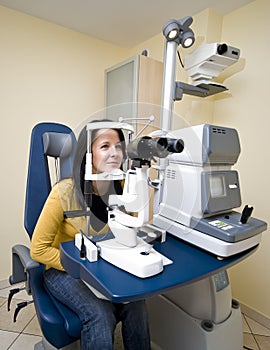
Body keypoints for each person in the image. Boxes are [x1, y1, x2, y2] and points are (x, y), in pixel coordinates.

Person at [30, 120, 151, 350]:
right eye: (105, 146)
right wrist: (82, 269)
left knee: (136, 303)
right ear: (89, 154)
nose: (114, 153)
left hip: (105, 267)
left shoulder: (125, 187)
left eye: (118, 146)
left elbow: (131, 229)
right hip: (63, 270)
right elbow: (38, 249)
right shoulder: (64, 192)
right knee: (99, 313)